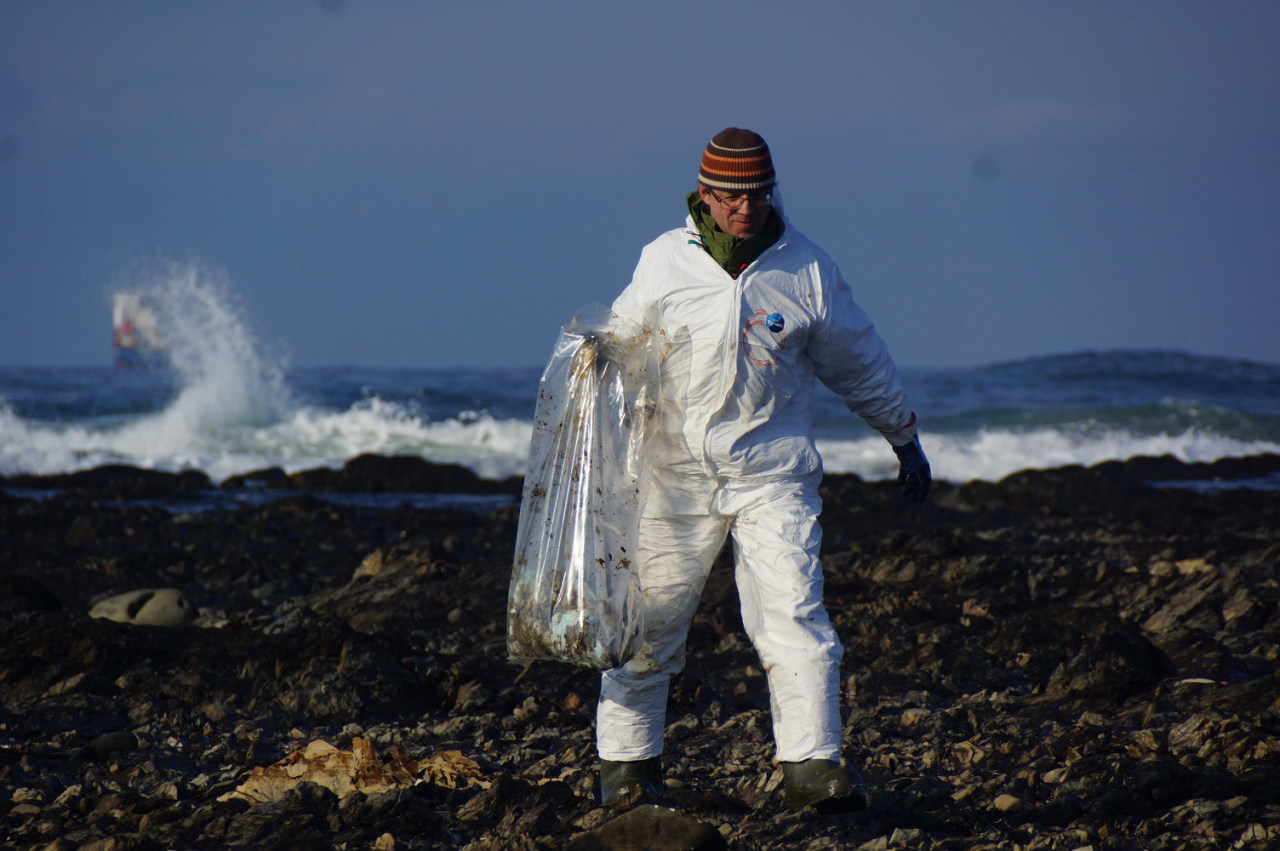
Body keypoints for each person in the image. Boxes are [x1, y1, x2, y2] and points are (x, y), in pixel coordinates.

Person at [596, 127, 931, 812]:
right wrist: (588, 437)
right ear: (705, 195)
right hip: (675, 476)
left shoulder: (804, 268)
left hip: (772, 474)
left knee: (794, 616)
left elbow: (858, 359)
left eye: (758, 194)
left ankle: (812, 765)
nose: (746, 207)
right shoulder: (664, 262)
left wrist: (903, 436)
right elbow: (617, 351)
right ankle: (627, 769)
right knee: (648, 624)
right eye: (732, 196)